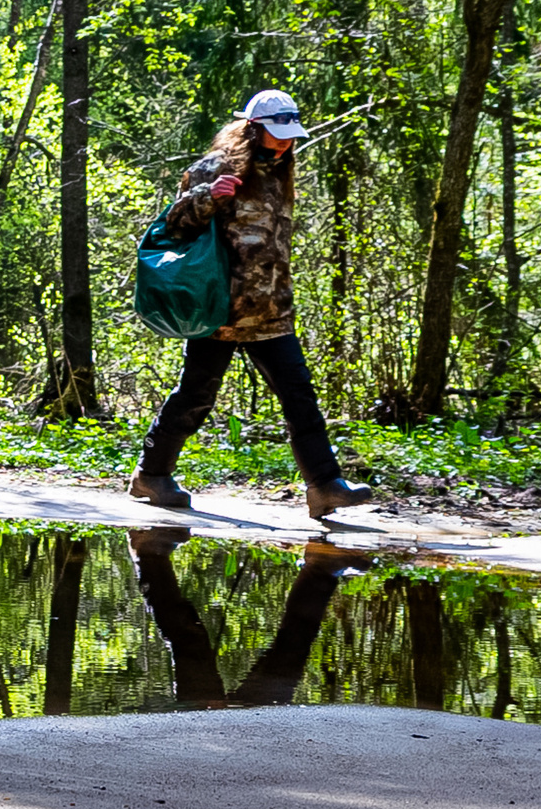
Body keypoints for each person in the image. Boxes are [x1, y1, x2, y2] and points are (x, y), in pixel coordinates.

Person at [131, 89, 375, 520]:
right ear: (252, 129)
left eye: (290, 134)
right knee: (195, 396)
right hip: (220, 312)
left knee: (299, 396)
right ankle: (151, 475)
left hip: (271, 313)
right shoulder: (215, 167)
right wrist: (208, 197)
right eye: (277, 133)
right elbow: (173, 226)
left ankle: (324, 487)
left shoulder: (281, 173)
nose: (285, 141)